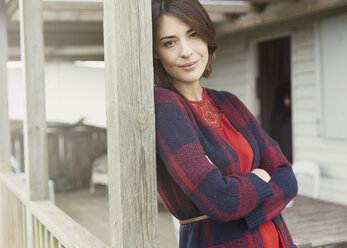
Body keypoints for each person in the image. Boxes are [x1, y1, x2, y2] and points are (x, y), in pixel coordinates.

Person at [152, 0, 298, 247]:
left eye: (193, 34)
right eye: (170, 42)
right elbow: (221, 200)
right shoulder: (163, 104)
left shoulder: (228, 102)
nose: (186, 51)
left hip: (277, 238)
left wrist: (242, 200)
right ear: (156, 52)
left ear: (207, 36)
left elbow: (287, 176)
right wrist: (260, 177)